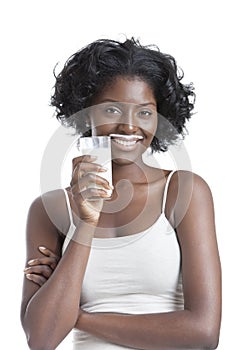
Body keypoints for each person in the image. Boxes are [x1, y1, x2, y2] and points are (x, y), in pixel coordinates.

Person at [20, 38, 222, 349]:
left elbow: (203, 333)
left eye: (144, 112)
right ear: (87, 114)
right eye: (112, 109)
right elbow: (42, 338)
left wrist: (77, 317)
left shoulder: (183, 192)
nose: (129, 127)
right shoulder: (50, 210)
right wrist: (85, 222)